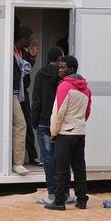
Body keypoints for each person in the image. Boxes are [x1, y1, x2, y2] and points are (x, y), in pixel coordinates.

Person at [45, 55, 92, 211]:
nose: (59, 70)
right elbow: (87, 112)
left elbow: (58, 112)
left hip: (65, 133)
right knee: (79, 167)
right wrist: (78, 123)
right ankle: (82, 200)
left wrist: (53, 132)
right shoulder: (86, 88)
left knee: (61, 168)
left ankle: (59, 201)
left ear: (71, 69)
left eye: (62, 67)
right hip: (80, 132)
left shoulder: (64, 86)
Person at [32, 47, 75, 205]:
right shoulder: (63, 76)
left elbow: (36, 100)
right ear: (59, 58)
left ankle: (52, 194)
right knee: (62, 159)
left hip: (44, 122)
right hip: (62, 122)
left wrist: (34, 121)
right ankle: (65, 194)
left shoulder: (40, 74)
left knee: (48, 160)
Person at [12, 27, 38, 175]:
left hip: (21, 93)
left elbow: (27, 70)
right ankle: (17, 163)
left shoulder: (23, 52)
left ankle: (30, 157)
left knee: (25, 124)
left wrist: (32, 57)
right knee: (21, 125)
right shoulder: (11, 50)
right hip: (13, 93)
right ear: (23, 39)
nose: (30, 41)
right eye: (29, 39)